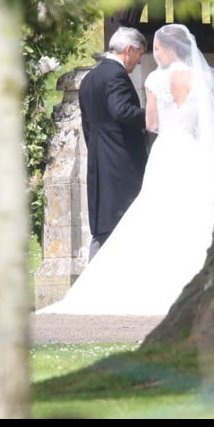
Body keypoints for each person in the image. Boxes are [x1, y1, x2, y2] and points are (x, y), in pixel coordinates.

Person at [36, 24, 214, 315]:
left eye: (156, 49)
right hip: (187, 149)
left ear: (169, 49)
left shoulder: (106, 78)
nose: (146, 57)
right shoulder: (197, 79)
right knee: (195, 211)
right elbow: (129, 114)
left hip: (160, 152)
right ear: (129, 49)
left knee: (151, 216)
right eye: (141, 52)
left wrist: (163, 117)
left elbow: (150, 124)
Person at [79, 26, 149, 260]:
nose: (138, 63)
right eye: (139, 56)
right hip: (121, 163)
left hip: (100, 161)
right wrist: (151, 117)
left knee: (105, 223)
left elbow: (88, 124)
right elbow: (122, 111)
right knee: (122, 223)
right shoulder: (115, 75)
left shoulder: (90, 78)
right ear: (129, 50)